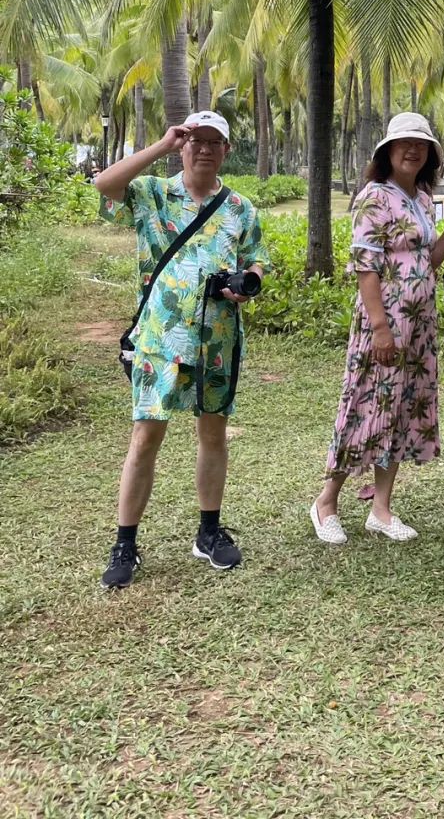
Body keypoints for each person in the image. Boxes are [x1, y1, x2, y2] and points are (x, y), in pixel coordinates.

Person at [96, 112, 269, 589]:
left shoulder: (240, 208)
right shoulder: (152, 193)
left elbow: (256, 259)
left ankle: (208, 532)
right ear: (182, 146)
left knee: (213, 435)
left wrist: (247, 282)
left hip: (219, 341)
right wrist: (162, 143)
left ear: (227, 150)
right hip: (159, 341)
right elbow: (104, 185)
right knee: (145, 439)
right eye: (195, 140)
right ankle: (125, 543)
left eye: (214, 142)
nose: (205, 149)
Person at [310, 113, 444, 544]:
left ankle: (381, 509)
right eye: (404, 143)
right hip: (384, 325)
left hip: (420, 328)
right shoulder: (373, 198)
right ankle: (326, 501)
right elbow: (366, 267)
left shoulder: (420, 198)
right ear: (387, 151)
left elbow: (428, 262)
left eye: (421, 145)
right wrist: (380, 327)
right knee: (364, 407)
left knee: (403, 411)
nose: (413, 150)